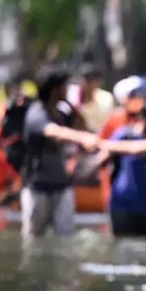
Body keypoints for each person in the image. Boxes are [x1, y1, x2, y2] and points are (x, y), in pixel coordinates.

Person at [20, 70, 102, 237]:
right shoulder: (36, 113)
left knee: (65, 237)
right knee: (33, 238)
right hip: (37, 188)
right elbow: (55, 132)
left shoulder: (61, 112)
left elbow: (81, 125)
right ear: (55, 89)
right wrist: (83, 138)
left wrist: (71, 106)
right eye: (64, 87)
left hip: (62, 185)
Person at [101, 97, 146, 237]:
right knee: (121, 247)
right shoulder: (124, 135)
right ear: (141, 117)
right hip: (122, 204)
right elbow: (102, 158)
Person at [77, 66, 115, 134]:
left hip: (103, 136)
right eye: (86, 80)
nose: (88, 84)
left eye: (91, 80)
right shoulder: (75, 98)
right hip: (82, 136)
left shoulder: (106, 97)